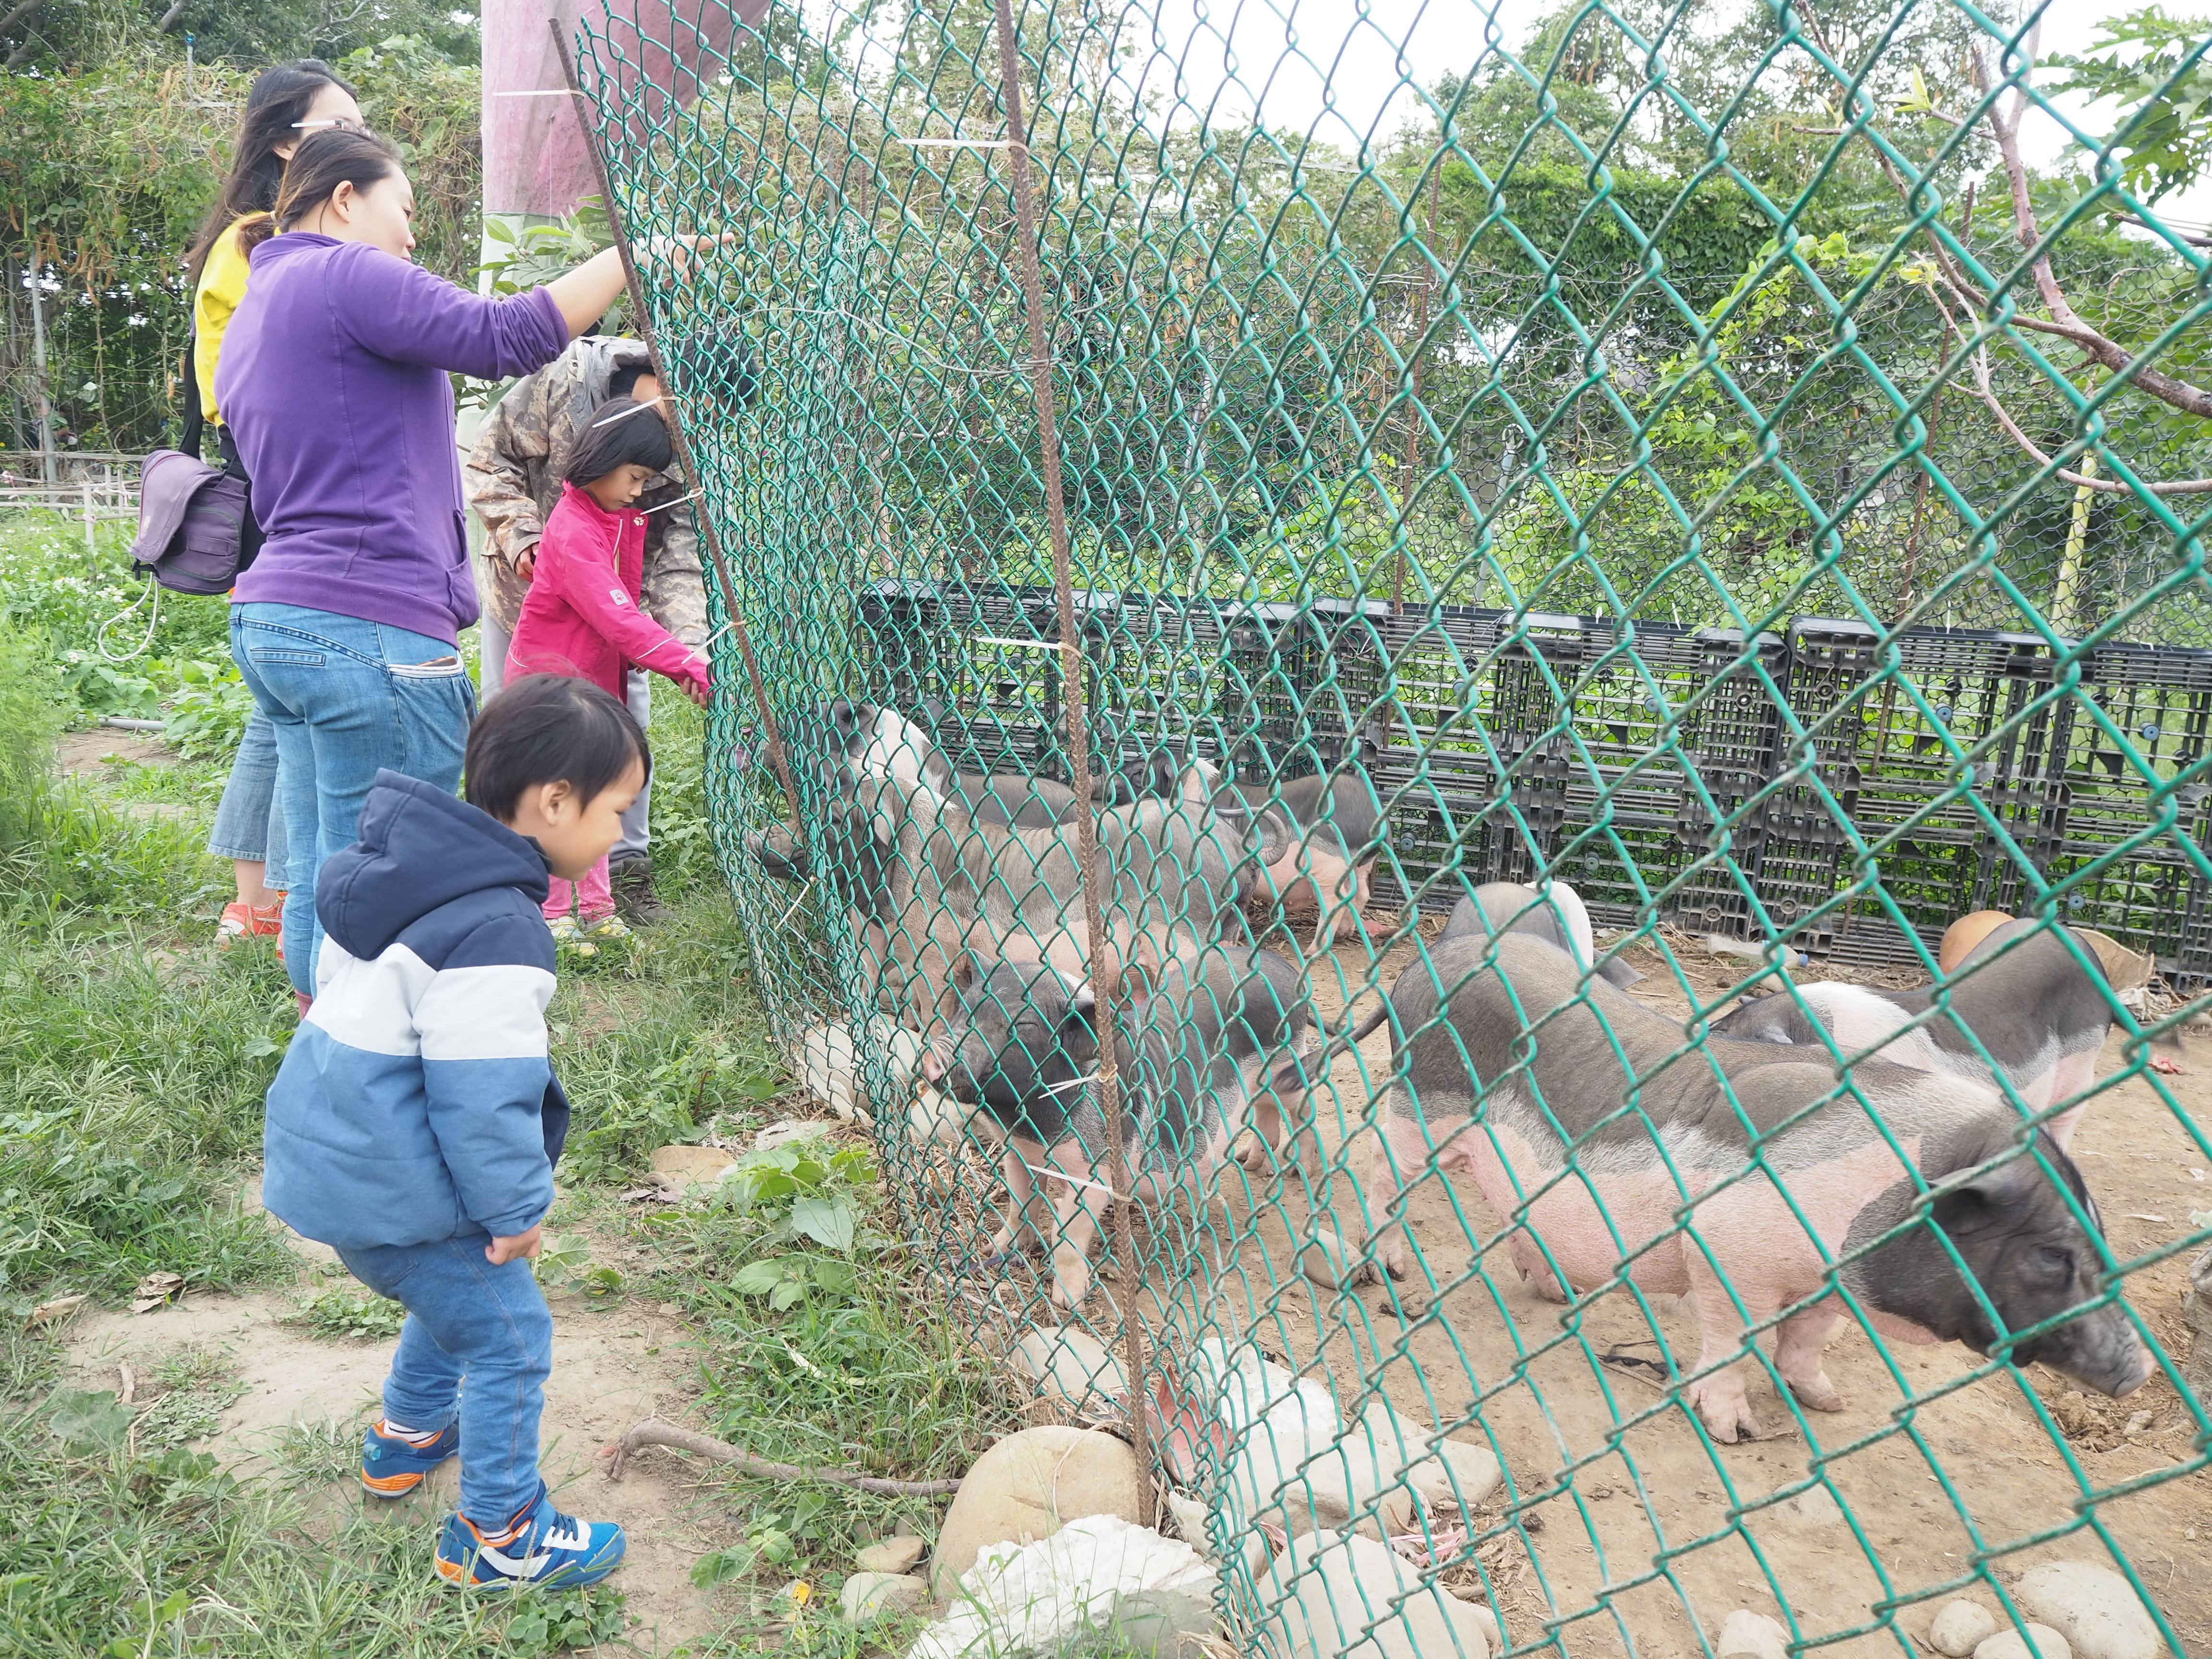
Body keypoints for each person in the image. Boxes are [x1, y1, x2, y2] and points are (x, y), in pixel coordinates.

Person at [215, 127, 706, 995]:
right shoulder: (343, 272)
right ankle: (379, 1060)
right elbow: (503, 336)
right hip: (369, 626)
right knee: (397, 867)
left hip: (280, 619)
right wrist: (637, 256)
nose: (410, 238)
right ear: (343, 199)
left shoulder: (259, 303)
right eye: (402, 211)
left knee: (330, 859)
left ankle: (321, 1036)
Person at [259, 674, 645, 1587]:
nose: (619, 834)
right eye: (616, 811)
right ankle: (501, 1534)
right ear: (554, 802)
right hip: (389, 1185)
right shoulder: (498, 927)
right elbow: (483, 1093)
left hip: (335, 1165)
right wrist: (516, 1205)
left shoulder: (405, 880)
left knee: (463, 1295)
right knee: (511, 1337)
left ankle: (408, 1435)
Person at [465, 332, 743, 925]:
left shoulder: (673, 459)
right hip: (537, 593)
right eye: (697, 416)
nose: (698, 436)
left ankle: (612, 885)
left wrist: (689, 653)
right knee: (525, 764)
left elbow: (677, 562)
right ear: (668, 388)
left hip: (611, 645)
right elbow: (486, 459)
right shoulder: (565, 380)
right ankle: (525, 895)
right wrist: (525, 539)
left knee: (610, 758)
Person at [184, 59, 365, 947]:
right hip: (280, 490)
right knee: (298, 697)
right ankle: (274, 902)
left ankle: (255, 902)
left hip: (277, 485)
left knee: (278, 704)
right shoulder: (257, 242)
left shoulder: (261, 238)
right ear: (289, 140)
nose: (357, 136)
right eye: (339, 123)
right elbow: (237, 387)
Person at [504, 396, 711, 937]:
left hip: (592, 685)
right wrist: (685, 662)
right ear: (603, 457)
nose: (640, 491)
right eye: (636, 476)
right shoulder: (574, 529)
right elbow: (618, 617)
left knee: (593, 794)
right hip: (551, 687)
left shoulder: (614, 516)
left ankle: (596, 910)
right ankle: (551, 914)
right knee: (555, 797)